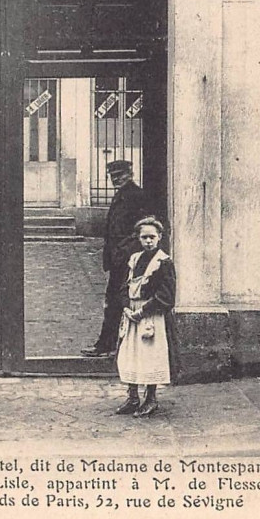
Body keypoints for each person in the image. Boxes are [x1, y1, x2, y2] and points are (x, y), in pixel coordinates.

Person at [81, 160, 150, 356]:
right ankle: (108, 345)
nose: (116, 179)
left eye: (120, 175)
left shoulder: (137, 196)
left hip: (129, 260)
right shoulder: (120, 196)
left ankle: (113, 346)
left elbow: (142, 230)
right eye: (113, 176)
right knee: (114, 301)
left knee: (124, 302)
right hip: (118, 259)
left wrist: (125, 252)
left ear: (131, 173)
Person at [115, 216, 178, 417]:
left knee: (150, 356)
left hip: (151, 316)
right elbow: (124, 288)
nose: (148, 241)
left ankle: (151, 399)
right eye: (144, 238)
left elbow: (166, 296)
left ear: (159, 237)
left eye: (152, 237)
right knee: (129, 354)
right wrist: (126, 308)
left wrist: (142, 312)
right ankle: (132, 397)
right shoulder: (134, 259)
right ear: (139, 239)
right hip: (132, 314)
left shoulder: (164, 262)